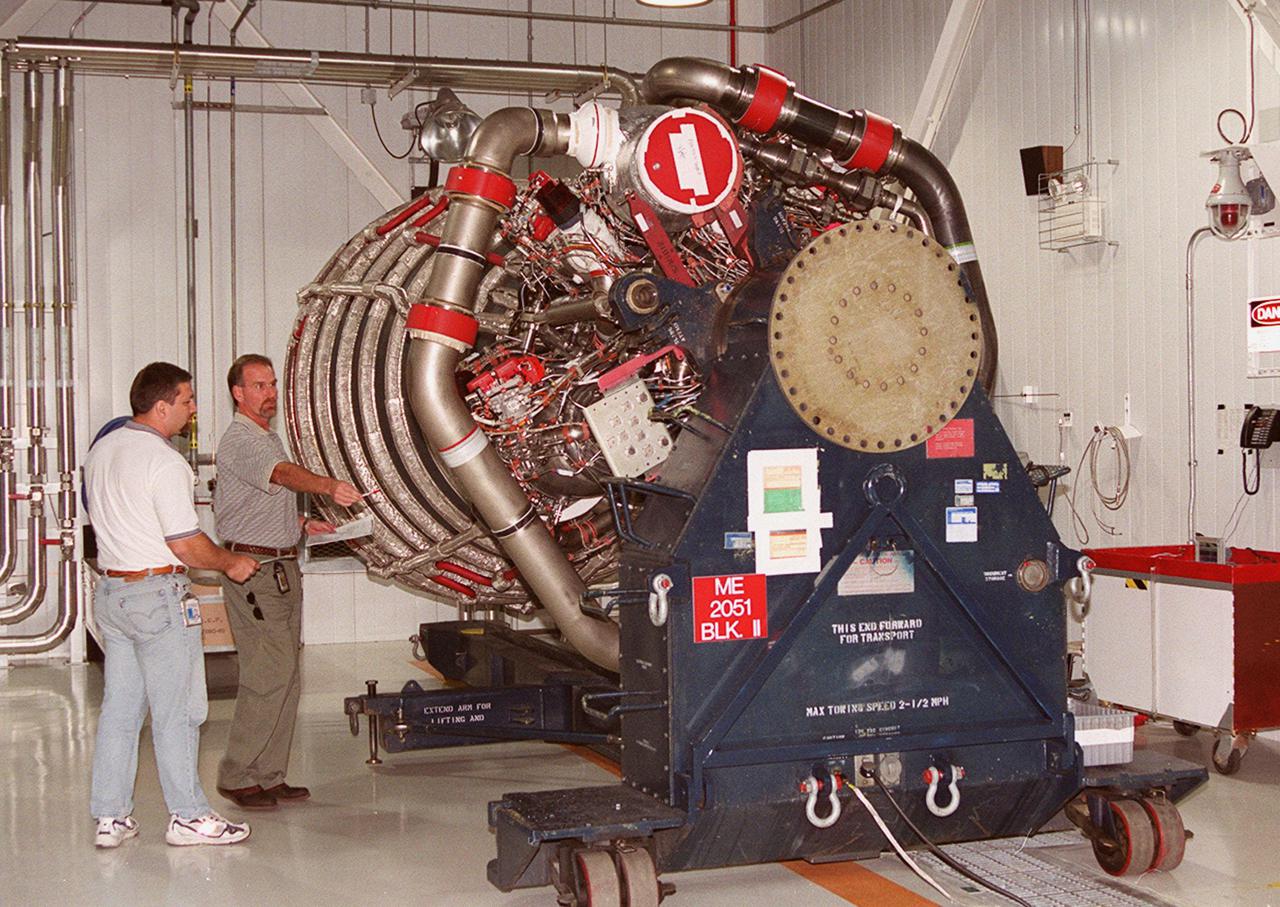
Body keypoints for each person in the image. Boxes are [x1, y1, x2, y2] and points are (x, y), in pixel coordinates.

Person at [85, 362, 261, 849]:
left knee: (121, 711)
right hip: (158, 597)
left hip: (114, 594)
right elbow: (185, 544)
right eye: (187, 400)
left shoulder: (103, 450)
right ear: (161, 406)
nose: (193, 409)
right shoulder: (164, 462)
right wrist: (229, 562)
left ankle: (111, 816)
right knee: (178, 712)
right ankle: (188, 816)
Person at [213, 354, 361, 810]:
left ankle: (268, 774)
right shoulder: (241, 439)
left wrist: (299, 524)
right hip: (255, 574)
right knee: (268, 674)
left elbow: (255, 501)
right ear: (238, 393)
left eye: (272, 384)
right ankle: (237, 775)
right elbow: (281, 474)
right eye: (259, 386)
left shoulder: (266, 435)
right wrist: (327, 487)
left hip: (280, 568)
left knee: (286, 676)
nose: (270, 393)